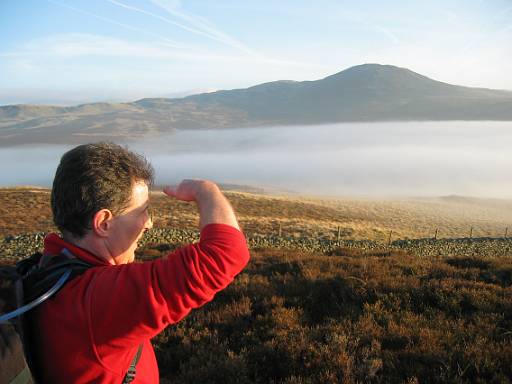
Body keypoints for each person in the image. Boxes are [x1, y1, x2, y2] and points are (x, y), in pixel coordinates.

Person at [29, 142, 250, 383]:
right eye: (142, 210)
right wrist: (207, 191)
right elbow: (226, 253)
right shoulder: (96, 301)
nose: (149, 223)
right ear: (103, 223)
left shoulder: (46, 270)